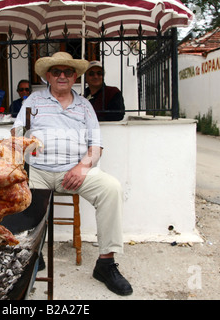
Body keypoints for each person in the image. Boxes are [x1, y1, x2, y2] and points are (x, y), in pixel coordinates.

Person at [11, 51, 133, 296]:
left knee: (111, 189)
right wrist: (22, 150)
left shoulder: (85, 106)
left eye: (68, 71)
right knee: (13, 193)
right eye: (56, 71)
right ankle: (30, 254)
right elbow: (16, 134)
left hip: (74, 172)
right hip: (38, 171)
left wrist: (83, 166)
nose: (62, 76)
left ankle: (106, 263)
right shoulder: (34, 101)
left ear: (76, 76)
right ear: (48, 76)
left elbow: (95, 146)